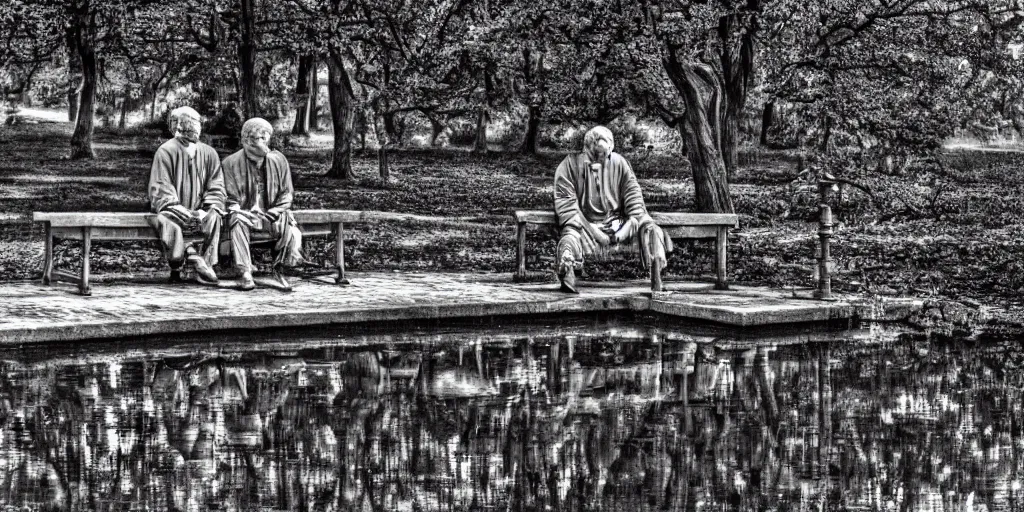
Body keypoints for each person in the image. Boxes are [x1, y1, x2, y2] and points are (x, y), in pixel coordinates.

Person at [553, 126, 672, 293]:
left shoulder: (620, 163)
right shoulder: (569, 165)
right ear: (587, 150)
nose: (600, 160)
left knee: (652, 230)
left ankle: (657, 279)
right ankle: (568, 272)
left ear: (611, 149)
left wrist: (628, 226)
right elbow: (567, 206)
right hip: (585, 225)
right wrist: (593, 231)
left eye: (605, 155)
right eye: (596, 155)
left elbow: (633, 196)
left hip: (618, 223)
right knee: (570, 237)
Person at [222, 117, 304, 291]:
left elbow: (287, 194)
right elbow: (230, 198)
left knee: (289, 225)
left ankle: (284, 267)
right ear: (245, 140)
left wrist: (277, 209)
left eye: (263, 138)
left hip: (271, 215)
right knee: (237, 221)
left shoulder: (279, 160)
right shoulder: (230, 163)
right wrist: (238, 209)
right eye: (255, 138)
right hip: (246, 216)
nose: (259, 142)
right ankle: (245, 272)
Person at [148, 106, 225, 284]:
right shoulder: (166, 150)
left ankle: (205, 262)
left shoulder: (209, 153)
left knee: (214, 217)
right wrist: (175, 205)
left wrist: (209, 207)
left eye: (196, 124)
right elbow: (161, 184)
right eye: (189, 125)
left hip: (201, 210)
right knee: (169, 221)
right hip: (173, 208)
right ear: (177, 126)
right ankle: (187, 258)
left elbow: (216, 185)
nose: (194, 129)